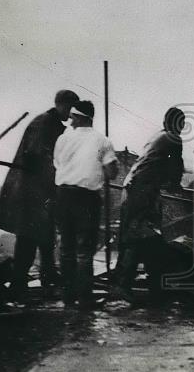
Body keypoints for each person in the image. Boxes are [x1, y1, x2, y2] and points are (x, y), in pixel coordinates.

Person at [0, 89, 79, 299]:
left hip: (40, 190)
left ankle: (47, 274)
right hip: (30, 191)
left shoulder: (52, 123)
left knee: (45, 233)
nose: (71, 112)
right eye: (70, 107)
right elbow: (35, 156)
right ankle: (18, 283)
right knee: (29, 237)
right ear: (60, 104)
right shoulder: (44, 123)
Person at [112, 107, 186, 303]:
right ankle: (126, 284)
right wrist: (177, 189)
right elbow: (176, 168)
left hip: (132, 188)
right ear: (177, 124)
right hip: (141, 191)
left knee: (135, 234)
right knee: (141, 235)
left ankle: (134, 283)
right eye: (182, 122)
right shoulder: (173, 138)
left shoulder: (158, 136)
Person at [52, 100, 118, 308]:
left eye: (73, 117)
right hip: (86, 198)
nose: (70, 121)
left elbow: (58, 164)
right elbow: (112, 172)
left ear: (81, 117)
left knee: (66, 248)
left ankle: (68, 296)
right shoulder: (102, 140)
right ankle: (85, 298)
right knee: (84, 249)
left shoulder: (62, 139)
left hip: (63, 194)